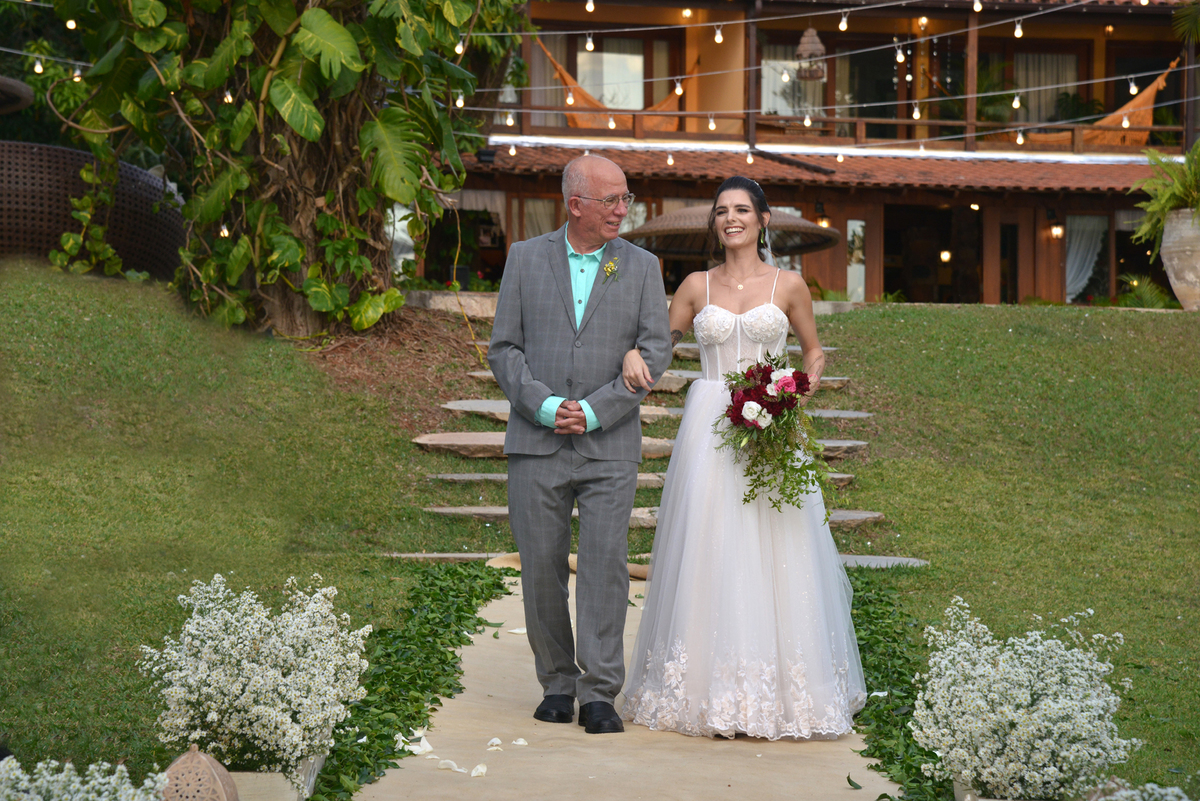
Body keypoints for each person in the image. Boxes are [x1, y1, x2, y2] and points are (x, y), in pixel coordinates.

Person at [618, 176, 867, 739]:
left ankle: (780, 691)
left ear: (762, 219)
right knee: (708, 546)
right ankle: (705, 687)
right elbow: (660, 345)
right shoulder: (693, 285)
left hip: (770, 427)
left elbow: (814, 351)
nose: (730, 219)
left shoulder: (790, 285)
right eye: (721, 211)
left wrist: (795, 391)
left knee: (777, 546)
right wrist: (635, 351)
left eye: (741, 210)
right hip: (708, 425)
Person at [488, 155, 672, 734]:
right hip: (535, 442)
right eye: (612, 200)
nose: (624, 209)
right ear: (575, 205)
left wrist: (594, 410)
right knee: (540, 567)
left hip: (609, 445)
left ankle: (598, 692)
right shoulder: (523, 259)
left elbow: (656, 350)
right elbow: (504, 350)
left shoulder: (642, 267)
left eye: (626, 198)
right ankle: (557, 683)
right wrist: (545, 406)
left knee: (604, 567)